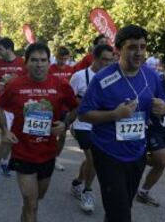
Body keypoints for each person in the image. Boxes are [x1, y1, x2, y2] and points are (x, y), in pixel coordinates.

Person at [78, 24, 165, 222]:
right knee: (121, 214)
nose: (139, 53)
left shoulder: (151, 76)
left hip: (137, 152)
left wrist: (164, 108)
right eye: (132, 47)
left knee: (122, 206)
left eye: (143, 47)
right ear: (118, 50)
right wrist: (114, 114)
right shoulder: (103, 79)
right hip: (108, 152)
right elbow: (83, 114)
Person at [0, 42, 77, 222]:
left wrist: (65, 123)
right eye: (34, 60)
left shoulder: (60, 85)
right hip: (23, 152)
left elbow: (75, 108)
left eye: (43, 60)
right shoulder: (15, 85)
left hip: (47, 153)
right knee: (31, 203)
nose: (39, 64)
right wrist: (4, 131)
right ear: (26, 62)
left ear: (49, 62)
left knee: (36, 200)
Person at [70, 44, 114, 213]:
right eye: (104, 60)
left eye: (111, 60)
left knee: (91, 159)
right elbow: (69, 99)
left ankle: (77, 182)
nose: (107, 64)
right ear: (94, 58)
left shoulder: (114, 77)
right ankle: (87, 192)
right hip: (82, 124)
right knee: (94, 158)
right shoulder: (79, 77)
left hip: (102, 123)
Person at [136, 53, 165, 207]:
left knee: (161, 164)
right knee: (162, 160)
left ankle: (143, 192)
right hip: (153, 128)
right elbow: (145, 100)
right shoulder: (157, 82)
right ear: (164, 65)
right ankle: (135, 158)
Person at [0, 37, 25, 185]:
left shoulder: (22, 63)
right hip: (0, 105)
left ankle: (4, 162)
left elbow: (28, 80)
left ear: (9, 49)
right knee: (4, 138)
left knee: (11, 139)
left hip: (17, 106)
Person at [48, 46, 74, 171]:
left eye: (65, 59)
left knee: (62, 135)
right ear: (56, 57)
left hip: (65, 107)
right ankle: (46, 156)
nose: (62, 61)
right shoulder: (50, 69)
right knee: (50, 133)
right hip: (52, 106)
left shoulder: (71, 70)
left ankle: (56, 158)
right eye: (60, 58)